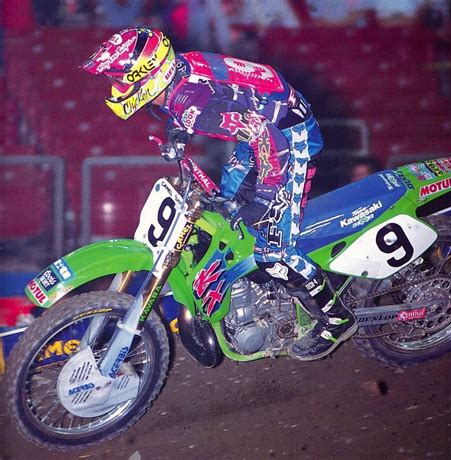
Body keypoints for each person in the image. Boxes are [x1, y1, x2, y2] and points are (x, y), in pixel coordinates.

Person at [81, 27, 356, 360]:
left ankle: (336, 318)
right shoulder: (179, 72)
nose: (116, 86)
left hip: (288, 135)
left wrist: (266, 197)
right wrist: (180, 129)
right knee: (228, 197)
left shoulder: (189, 105)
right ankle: (256, 296)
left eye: (121, 78)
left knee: (272, 252)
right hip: (265, 118)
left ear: (147, 75)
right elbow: (225, 96)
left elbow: (269, 139)